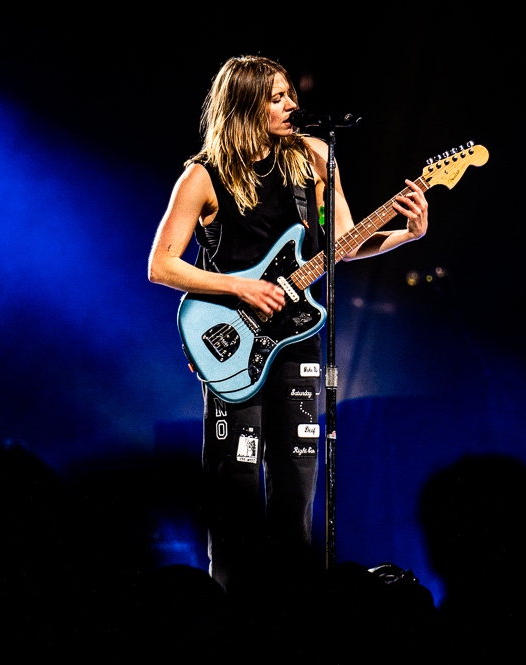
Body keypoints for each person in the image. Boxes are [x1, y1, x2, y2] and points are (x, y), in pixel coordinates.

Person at [148, 55, 429, 594]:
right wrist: (241, 286)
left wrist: (405, 236)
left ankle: (297, 613)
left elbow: (343, 246)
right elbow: (162, 264)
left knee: (298, 488)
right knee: (234, 487)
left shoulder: (315, 158)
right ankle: (229, 608)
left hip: (298, 340)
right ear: (246, 105)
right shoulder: (202, 175)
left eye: (289, 95)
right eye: (276, 98)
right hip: (233, 338)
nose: (291, 106)